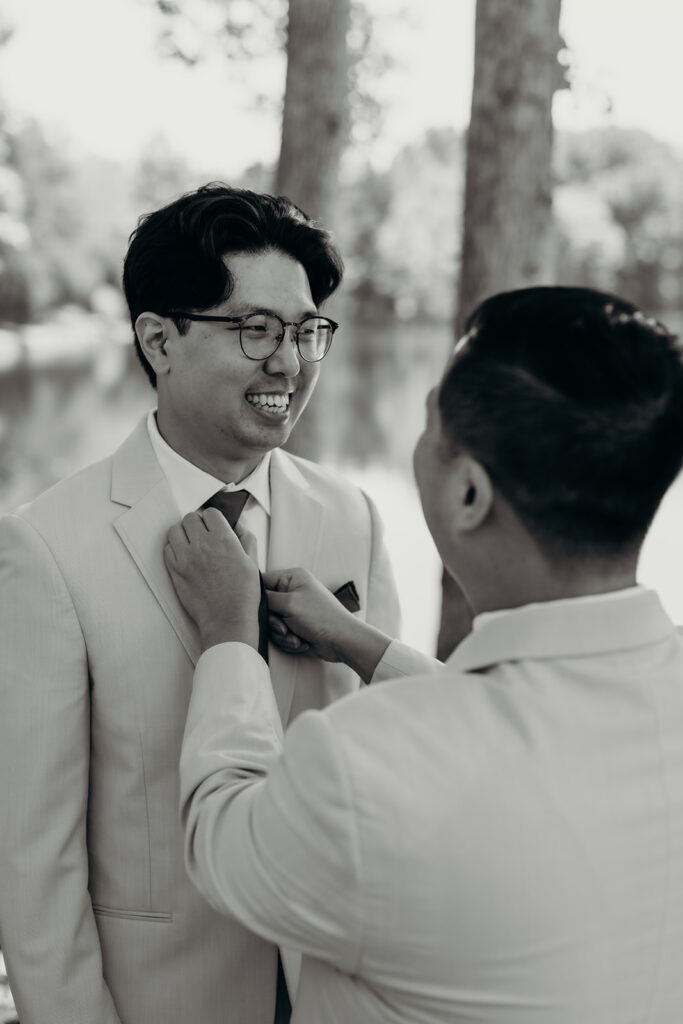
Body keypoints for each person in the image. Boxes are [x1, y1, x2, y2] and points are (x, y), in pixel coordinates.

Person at [166, 286, 683, 1023]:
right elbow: (517, 741)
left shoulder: (366, 767)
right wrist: (362, 645)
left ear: (468, 493)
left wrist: (227, 638)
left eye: (428, 422)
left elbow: (221, 838)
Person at [0, 184, 400, 1024]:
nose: (289, 363)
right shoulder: (45, 547)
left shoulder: (351, 517)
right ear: (159, 339)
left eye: (305, 330)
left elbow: (394, 773)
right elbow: (33, 863)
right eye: (255, 328)